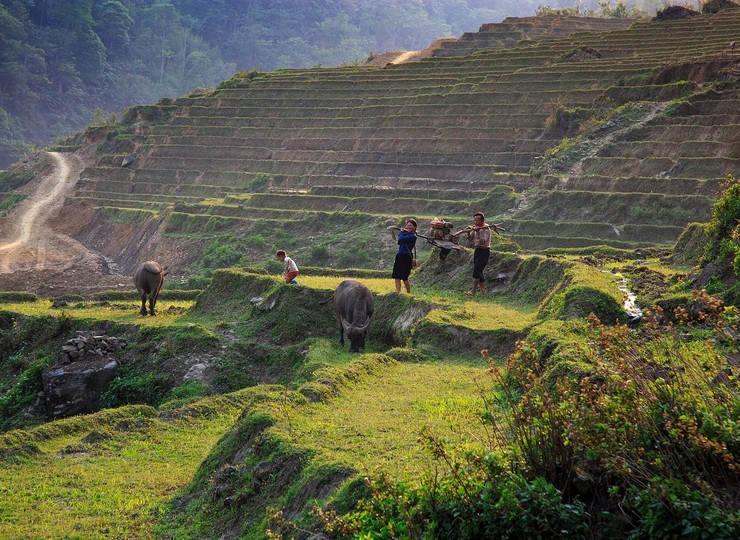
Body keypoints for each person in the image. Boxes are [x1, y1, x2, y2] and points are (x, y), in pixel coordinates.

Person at [464, 212, 499, 296]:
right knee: (478, 271)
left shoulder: (486, 229)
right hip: (477, 250)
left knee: (477, 271)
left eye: (477, 220)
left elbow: (484, 241)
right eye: (474, 220)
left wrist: (478, 232)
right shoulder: (476, 228)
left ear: (482, 220)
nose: (475, 222)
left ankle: (473, 291)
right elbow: (470, 239)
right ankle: (483, 290)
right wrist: (468, 232)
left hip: (484, 251)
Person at [391, 219, 417, 293]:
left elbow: (401, 239)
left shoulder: (413, 236)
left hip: (407, 257)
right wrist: (403, 233)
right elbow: (399, 242)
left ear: (414, 227)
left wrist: (401, 233)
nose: (408, 227)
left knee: (404, 277)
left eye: (410, 225)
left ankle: (408, 292)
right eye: (407, 225)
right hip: (400, 255)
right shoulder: (406, 234)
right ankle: (397, 292)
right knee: (397, 276)